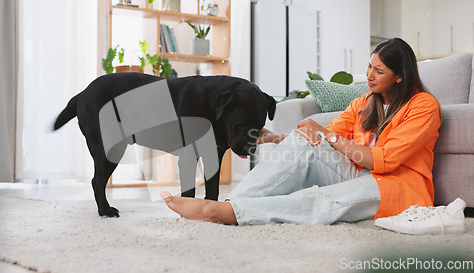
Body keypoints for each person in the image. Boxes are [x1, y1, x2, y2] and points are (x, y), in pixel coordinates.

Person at [160, 38, 443, 226]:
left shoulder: (423, 106)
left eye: (378, 71)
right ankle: (233, 204)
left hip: (397, 187)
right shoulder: (365, 103)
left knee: (322, 199)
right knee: (303, 139)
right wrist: (278, 138)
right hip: (358, 170)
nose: (368, 76)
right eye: (369, 66)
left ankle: (225, 212)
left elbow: (385, 160)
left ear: (400, 75)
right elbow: (318, 140)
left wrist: (327, 135)